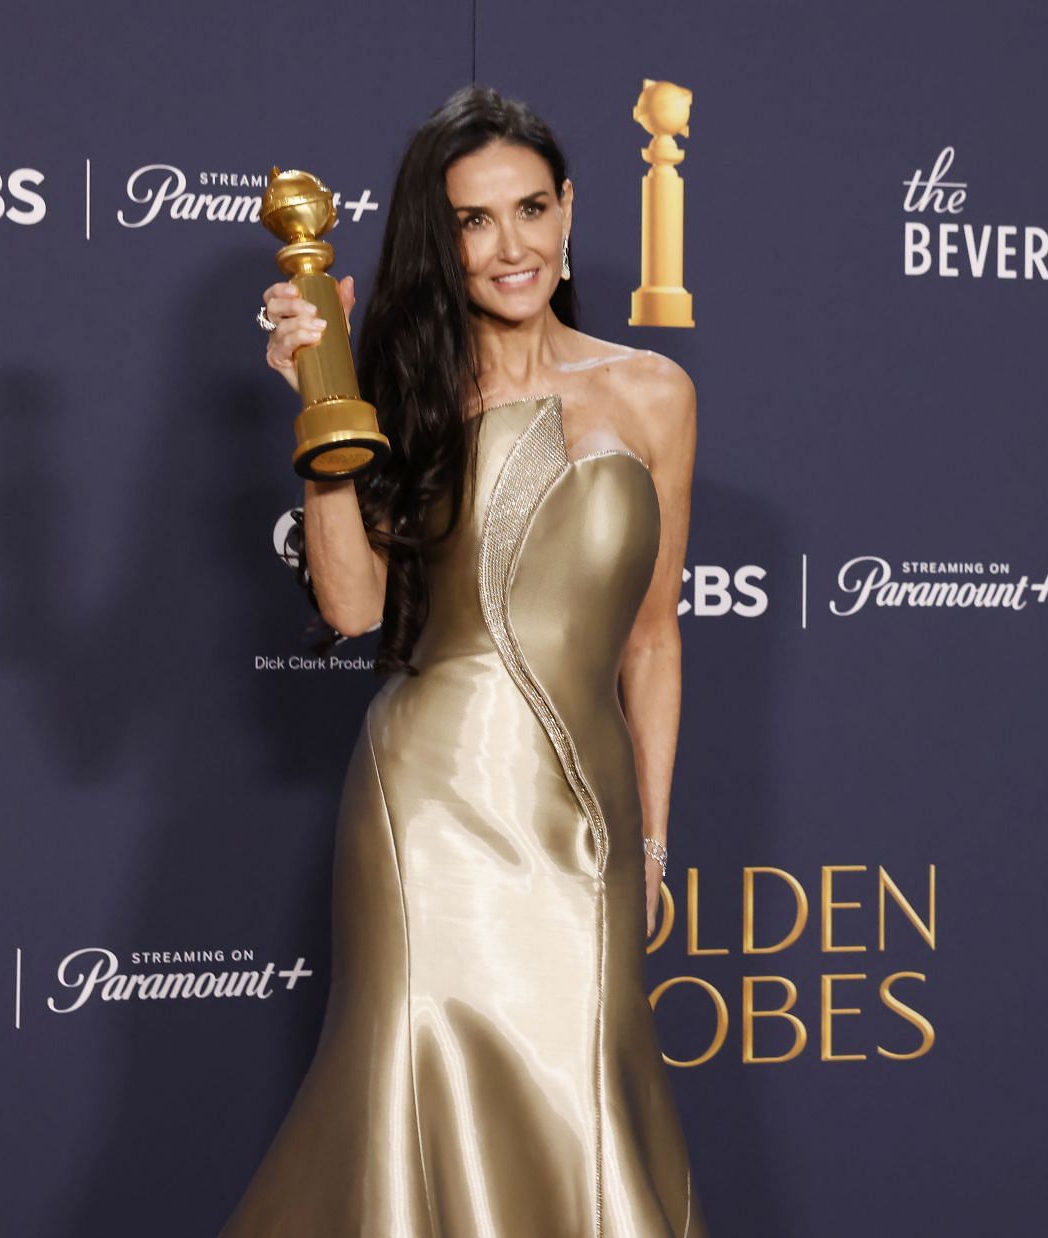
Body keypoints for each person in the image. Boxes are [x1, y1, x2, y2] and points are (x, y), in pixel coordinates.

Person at [220, 84, 708, 1238]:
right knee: (412, 1083)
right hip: (429, 803)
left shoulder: (654, 391)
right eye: (474, 221)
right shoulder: (401, 385)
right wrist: (320, 408)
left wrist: (651, 837)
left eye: (531, 208)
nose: (511, 246)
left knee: (587, 1108)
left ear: (572, 209)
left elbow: (651, 634)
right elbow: (350, 606)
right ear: (441, 241)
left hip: (584, 821)